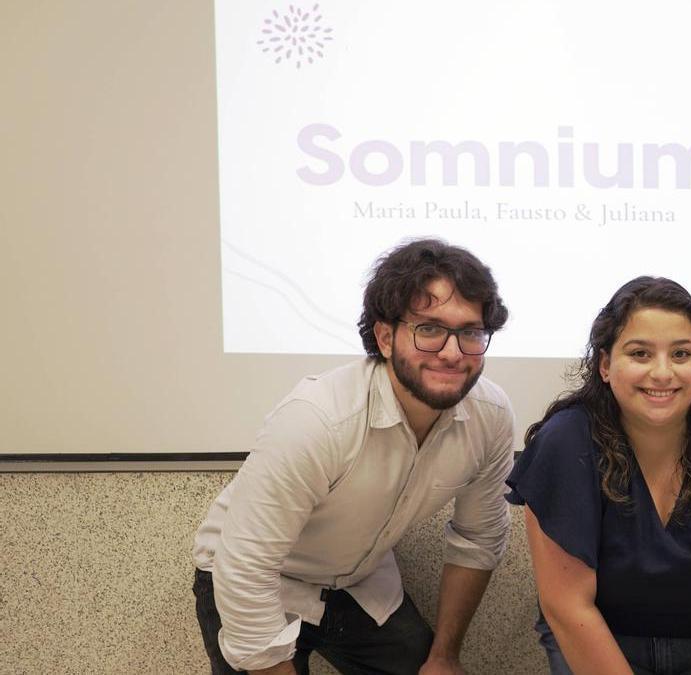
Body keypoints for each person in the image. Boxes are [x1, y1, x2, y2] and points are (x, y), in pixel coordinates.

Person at [192, 239, 517, 675]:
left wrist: (445, 657)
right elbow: (247, 565)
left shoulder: (489, 417)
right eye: (430, 329)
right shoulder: (320, 418)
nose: (453, 352)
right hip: (246, 578)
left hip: (358, 583)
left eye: (471, 332)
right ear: (385, 337)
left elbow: (479, 539)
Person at [506, 276, 691, 675]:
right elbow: (567, 606)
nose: (663, 373)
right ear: (604, 365)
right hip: (600, 640)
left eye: (682, 354)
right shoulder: (564, 444)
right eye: (640, 354)